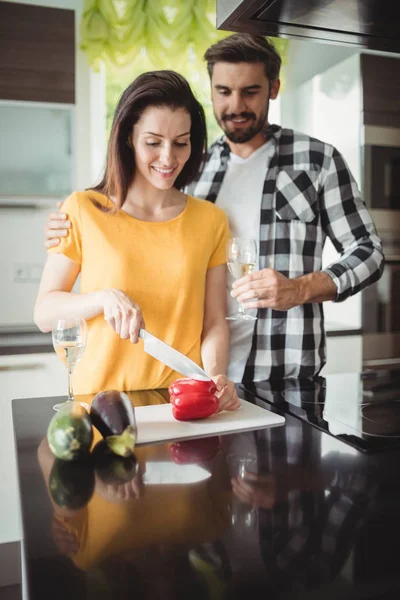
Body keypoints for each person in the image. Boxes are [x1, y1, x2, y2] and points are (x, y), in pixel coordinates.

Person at [43, 34, 384, 383]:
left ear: (274, 88)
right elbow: (136, 223)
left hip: (285, 371)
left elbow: (369, 252)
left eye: (250, 91)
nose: (235, 105)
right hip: (196, 377)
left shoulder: (317, 161)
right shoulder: (187, 163)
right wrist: (72, 222)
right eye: (223, 91)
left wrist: (300, 288)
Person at [35, 70, 240, 409]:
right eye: (153, 142)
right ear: (129, 136)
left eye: (181, 142)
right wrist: (103, 298)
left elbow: (214, 321)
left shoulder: (211, 220)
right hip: (99, 404)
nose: (168, 158)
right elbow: (45, 312)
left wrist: (215, 377)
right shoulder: (83, 209)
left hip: (180, 404)